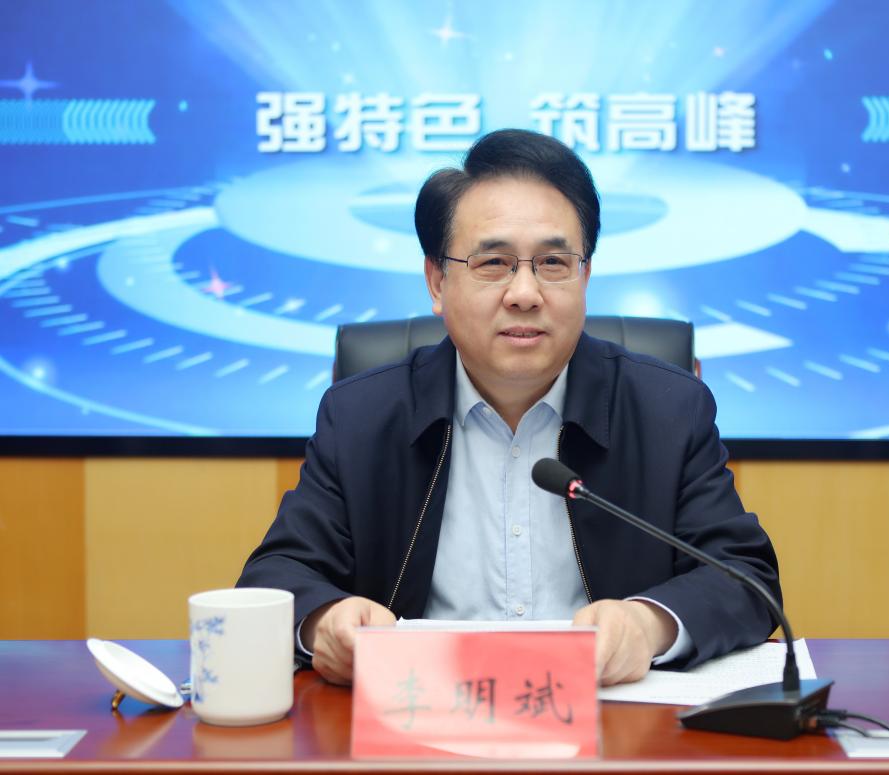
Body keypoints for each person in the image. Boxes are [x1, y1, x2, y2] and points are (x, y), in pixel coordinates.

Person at [238, 129, 780, 687]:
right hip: (422, 715)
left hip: (609, 717)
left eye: (553, 262)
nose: (525, 293)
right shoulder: (362, 416)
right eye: (494, 263)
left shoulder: (668, 410)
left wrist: (647, 626)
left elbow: (744, 576)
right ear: (437, 281)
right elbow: (275, 576)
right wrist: (326, 621)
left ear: (585, 275)